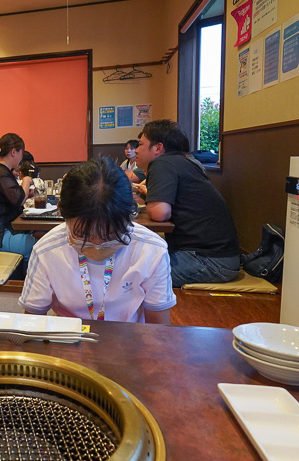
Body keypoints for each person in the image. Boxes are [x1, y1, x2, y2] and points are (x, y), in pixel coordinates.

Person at [19, 157, 174, 323]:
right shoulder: (46, 251)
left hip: (131, 340)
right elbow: (32, 324)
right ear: (62, 213)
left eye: (110, 236)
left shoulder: (151, 250)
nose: (97, 245)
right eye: (83, 235)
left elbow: (158, 329)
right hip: (70, 341)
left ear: (130, 217)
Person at [133, 119, 240, 287]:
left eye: (140, 144)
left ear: (158, 148)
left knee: (130, 275)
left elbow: (160, 213)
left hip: (210, 261)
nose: (136, 150)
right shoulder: (185, 162)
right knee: (137, 258)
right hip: (219, 256)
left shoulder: (162, 164)